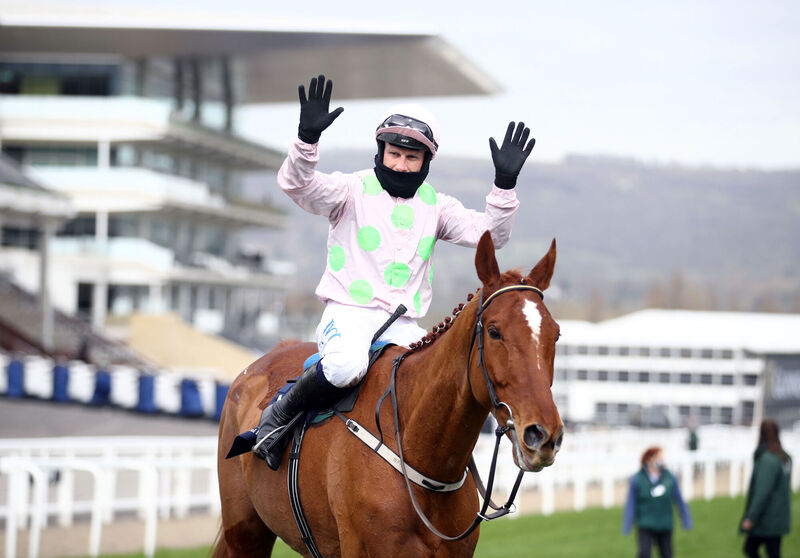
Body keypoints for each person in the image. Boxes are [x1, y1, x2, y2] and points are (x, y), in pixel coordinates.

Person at [253, 74, 535, 469]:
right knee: (346, 367)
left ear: (426, 162)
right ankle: (279, 416)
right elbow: (296, 185)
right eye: (394, 154)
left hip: (404, 325)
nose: (401, 165)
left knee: (444, 378)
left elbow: (492, 235)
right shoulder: (349, 190)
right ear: (381, 151)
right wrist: (306, 141)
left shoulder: (437, 206)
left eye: (412, 158)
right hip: (348, 314)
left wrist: (504, 186)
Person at [623, 446, 693, 558]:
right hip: (645, 523)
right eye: (658, 457)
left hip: (665, 523)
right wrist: (627, 524)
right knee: (644, 553)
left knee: (667, 554)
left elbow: (679, 499)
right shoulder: (637, 478)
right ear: (650, 458)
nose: (661, 460)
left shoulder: (669, 477)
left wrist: (686, 518)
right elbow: (631, 503)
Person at [740, 419, 792, 558]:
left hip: (767, 519)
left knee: (751, 549)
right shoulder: (784, 457)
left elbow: (762, 492)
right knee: (772, 552)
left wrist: (751, 517)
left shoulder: (768, 460)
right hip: (779, 517)